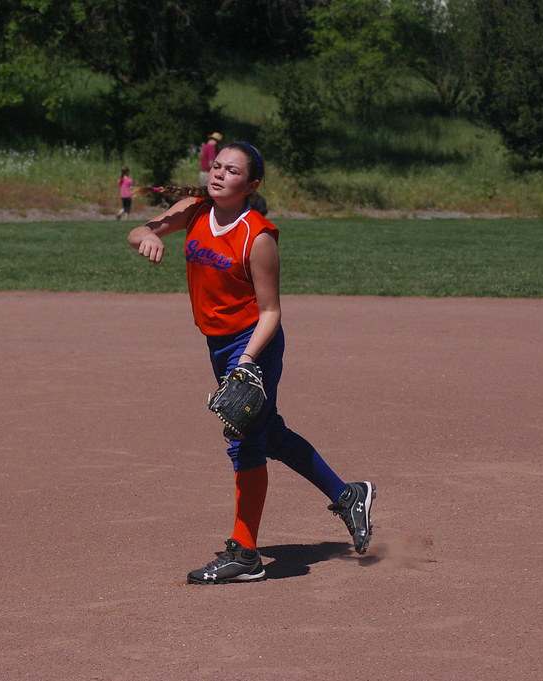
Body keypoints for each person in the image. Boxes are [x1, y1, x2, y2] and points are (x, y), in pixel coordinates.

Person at [126, 142, 375, 585]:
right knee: (268, 433)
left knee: (244, 441)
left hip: (253, 345)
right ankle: (348, 495)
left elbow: (271, 312)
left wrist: (245, 362)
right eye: (217, 166)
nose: (219, 174)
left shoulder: (256, 236)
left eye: (232, 170)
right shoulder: (195, 210)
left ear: (251, 184)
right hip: (219, 345)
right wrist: (147, 236)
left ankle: (245, 553)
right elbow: (140, 230)